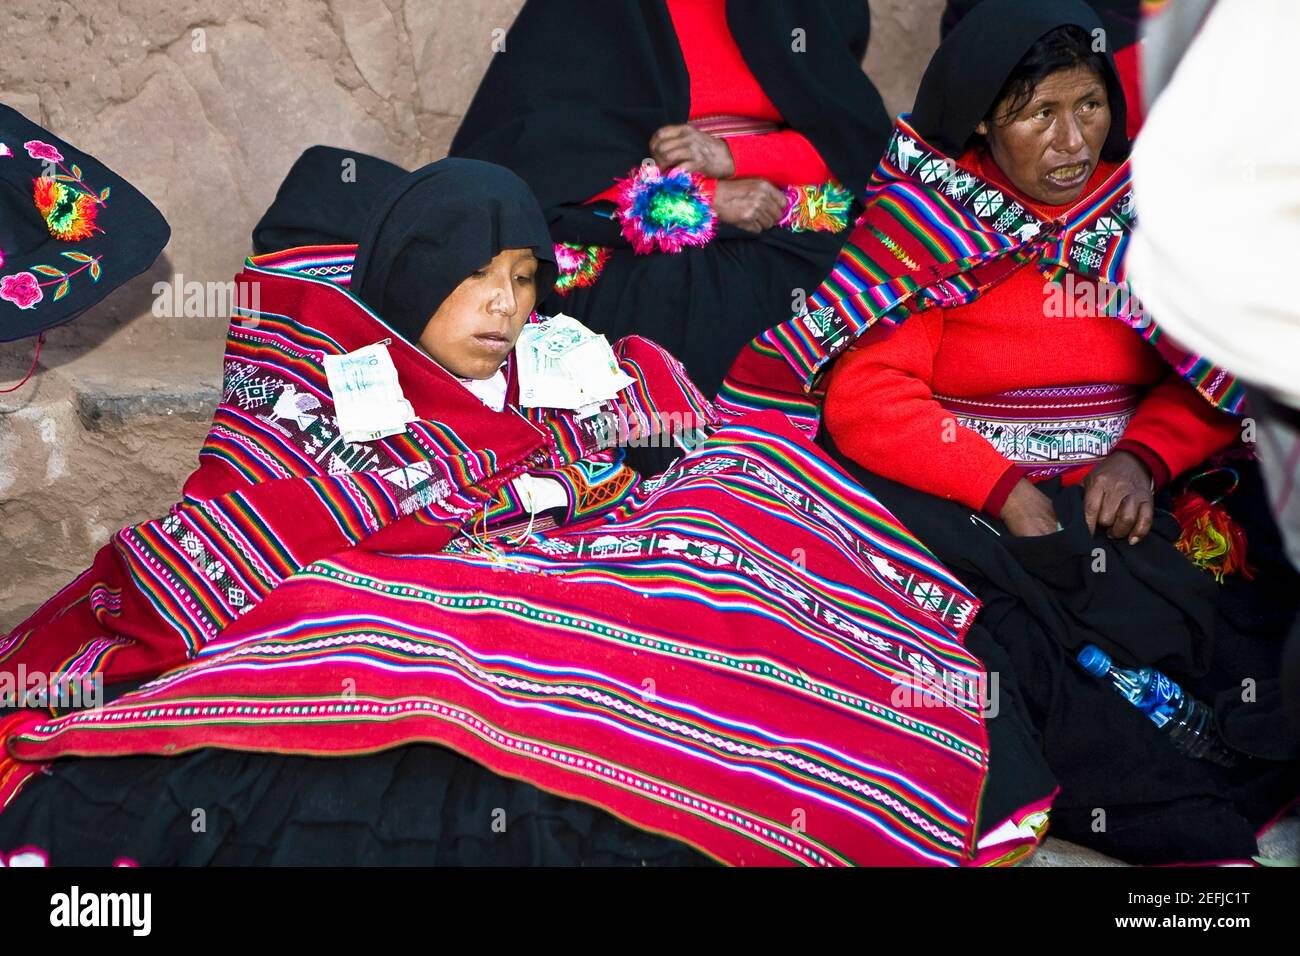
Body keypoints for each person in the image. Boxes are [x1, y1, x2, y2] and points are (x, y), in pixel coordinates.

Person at [0, 160, 1016, 866]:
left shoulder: (567, 368)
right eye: (473, 278)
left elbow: (668, 450)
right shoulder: (328, 387)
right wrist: (480, 511)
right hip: (427, 613)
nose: (501, 305)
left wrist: (588, 491)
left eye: (521, 277)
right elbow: (254, 522)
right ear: (408, 278)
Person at [719, 0, 1300, 864]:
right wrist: (1002, 486)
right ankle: (1151, 811)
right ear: (988, 117)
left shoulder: (1143, 210)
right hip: (973, 497)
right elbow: (868, 393)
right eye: (1040, 114)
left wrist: (1143, 457)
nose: (1072, 142)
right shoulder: (930, 221)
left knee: (1237, 589)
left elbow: (1211, 373)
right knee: (1008, 642)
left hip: (1133, 487)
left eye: (1089, 107)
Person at [448, 0, 892, 396]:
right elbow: (535, 156)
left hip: (786, 207)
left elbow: (849, 143)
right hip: (629, 225)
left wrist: (733, 155)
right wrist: (703, 199)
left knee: (859, 300)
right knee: (668, 320)